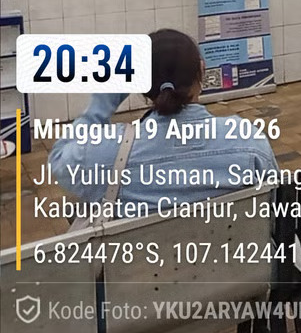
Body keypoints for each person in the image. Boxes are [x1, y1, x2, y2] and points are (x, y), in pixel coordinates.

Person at [49, 29, 278, 213]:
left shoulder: (106, 154)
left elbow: (59, 160)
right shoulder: (248, 141)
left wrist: (104, 101)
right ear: (201, 71)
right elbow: (276, 204)